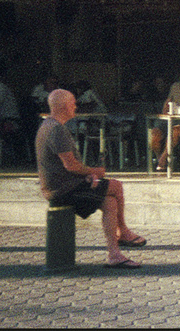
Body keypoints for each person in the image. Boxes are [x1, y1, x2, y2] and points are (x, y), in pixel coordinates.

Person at [37, 89, 146, 269]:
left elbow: (67, 166)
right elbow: (70, 165)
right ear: (64, 106)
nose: (76, 106)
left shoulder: (50, 126)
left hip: (66, 185)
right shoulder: (56, 130)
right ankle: (124, 231)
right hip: (63, 190)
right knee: (116, 187)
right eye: (73, 103)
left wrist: (88, 175)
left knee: (110, 202)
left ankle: (114, 255)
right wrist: (96, 171)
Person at [155, 63, 180, 172]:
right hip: (172, 117)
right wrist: (165, 113)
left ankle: (163, 158)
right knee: (155, 133)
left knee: (175, 131)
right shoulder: (176, 86)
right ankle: (160, 159)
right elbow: (168, 102)